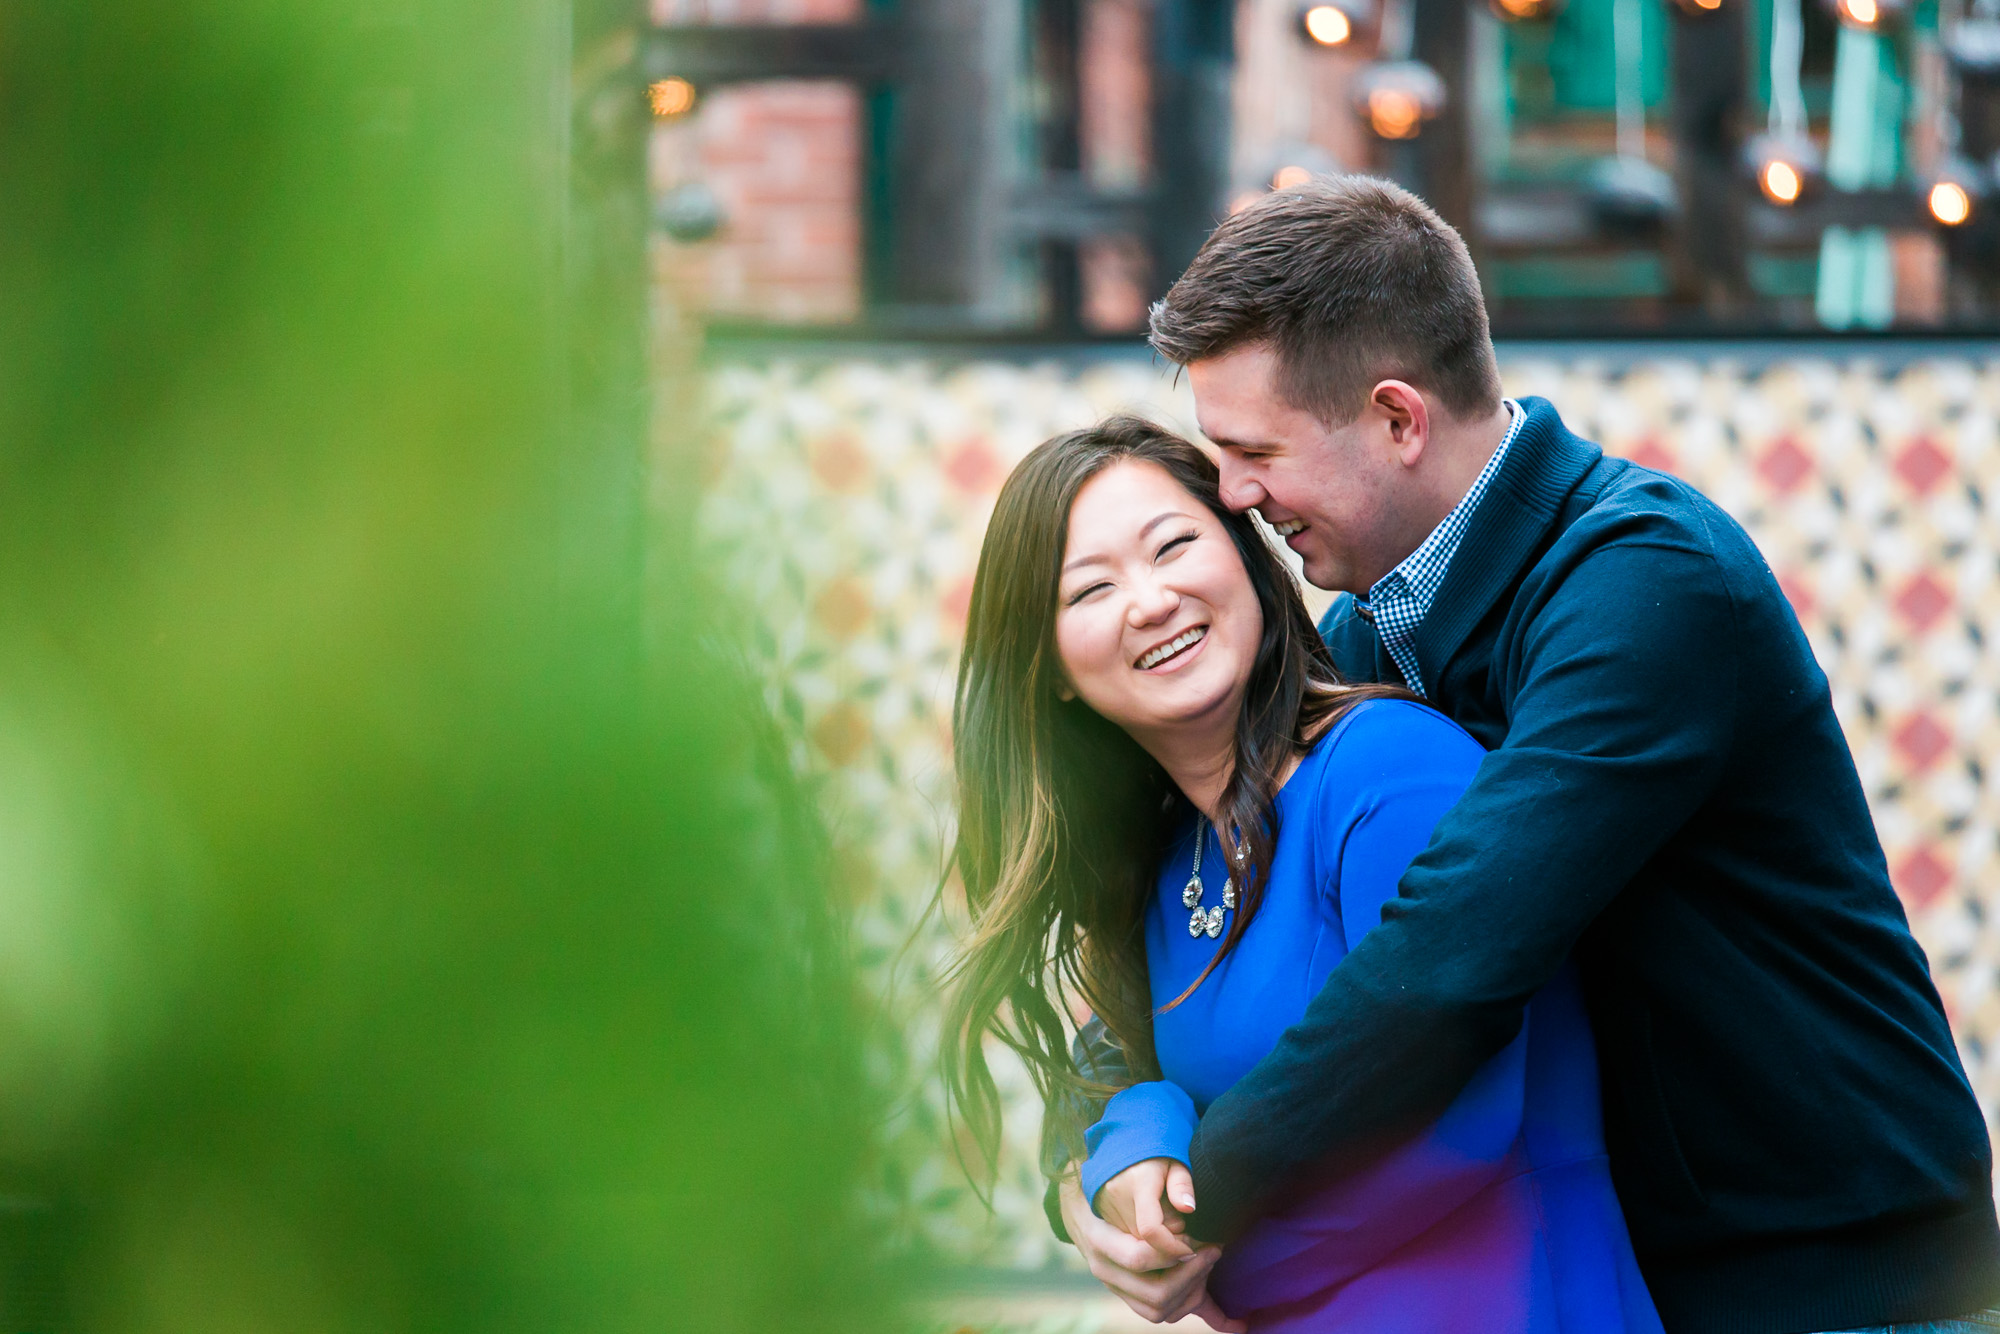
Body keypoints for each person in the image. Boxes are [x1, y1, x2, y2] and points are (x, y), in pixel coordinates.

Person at [1054, 176, 2000, 1334]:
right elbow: (1169, 938)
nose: (1238, 497)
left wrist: (1207, 1207)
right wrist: (1123, 1143)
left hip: (1834, 1277)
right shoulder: (1369, 635)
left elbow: (1451, 953)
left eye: (1254, 452)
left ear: (1398, 420)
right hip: (1636, 1268)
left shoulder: (1644, 582)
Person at [940, 416, 1663, 1332]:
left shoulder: (1388, 767)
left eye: (1175, 546)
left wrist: (1206, 1265)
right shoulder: (1166, 862)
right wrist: (1130, 1152)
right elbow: (1126, 1068)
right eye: (1091, 590)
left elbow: (1459, 1128)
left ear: (1245, 559)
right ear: (1050, 672)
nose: (1150, 600)